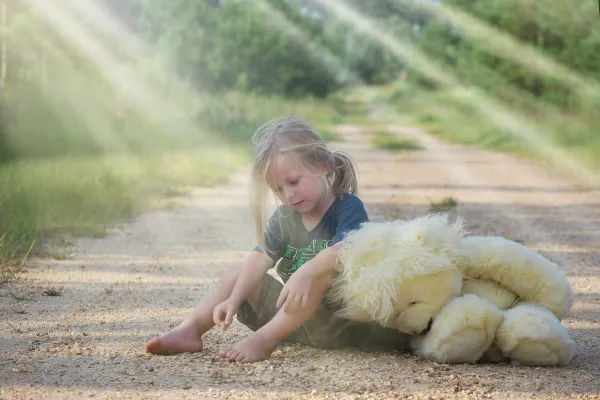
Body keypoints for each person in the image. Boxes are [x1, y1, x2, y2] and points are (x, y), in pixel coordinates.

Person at [145, 116, 408, 363]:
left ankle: (263, 341)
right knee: (240, 270)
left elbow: (346, 250)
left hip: (335, 324)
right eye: (279, 189)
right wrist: (234, 299)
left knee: (319, 275)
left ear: (323, 166)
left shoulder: (347, 207)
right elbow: (261, 257)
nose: (289, 195)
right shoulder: (285, 217)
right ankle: (190, 330)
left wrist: (306, 271)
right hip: (288, 320)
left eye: (293, 182)